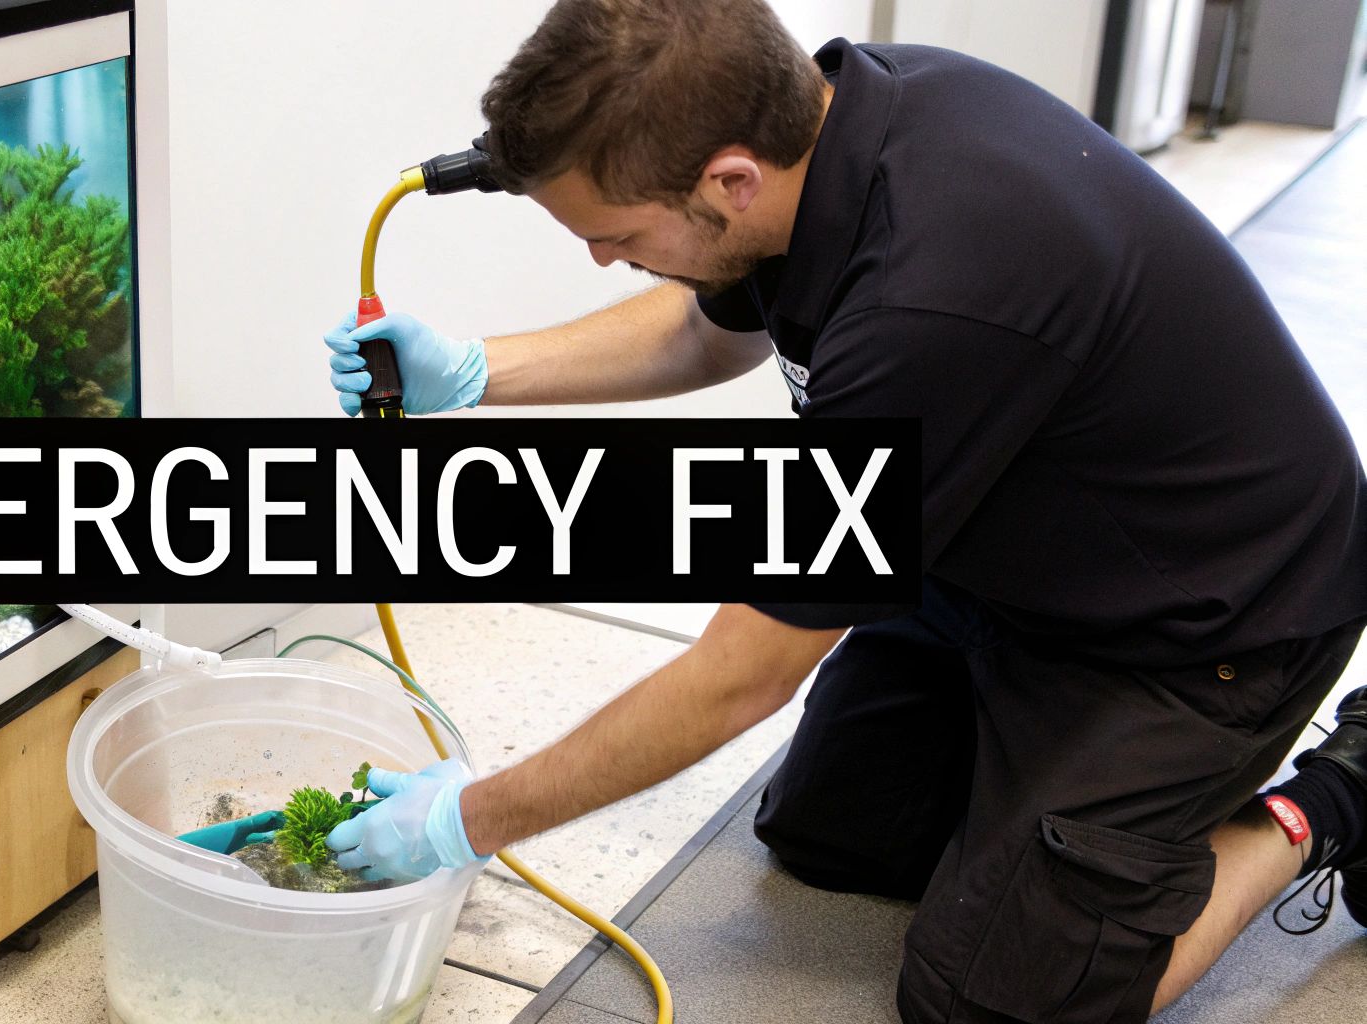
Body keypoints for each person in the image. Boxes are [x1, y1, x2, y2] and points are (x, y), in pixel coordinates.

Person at [319, 2, 1367, 1021]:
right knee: (833, 836)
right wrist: (473, 374)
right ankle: (1055, 809)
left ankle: (1332, 798)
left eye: (617, 235)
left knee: (990, 995)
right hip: (995, 548)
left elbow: (740, 677)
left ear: (728, 180)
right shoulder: (825, 123)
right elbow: (710, 326)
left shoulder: (931, 297)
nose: (602, 259)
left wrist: (469, 819)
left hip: (1205, 621)